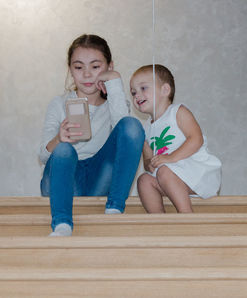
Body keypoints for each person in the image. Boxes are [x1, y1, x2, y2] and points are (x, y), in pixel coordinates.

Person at [39, 34, 145, 236]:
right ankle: (62, 224)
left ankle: (114, 208)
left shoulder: (114, 104)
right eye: (79, 67)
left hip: (99, 179)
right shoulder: (58, 104)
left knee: (131, 124)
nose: (87, 74)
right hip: (66, 178)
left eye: (95, 67)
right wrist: (59, 139)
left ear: (109, 66)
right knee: (64, 150)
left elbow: (127, 132)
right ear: (70, 70)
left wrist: (114, 84)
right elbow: (42, 156)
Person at [130, 64, 221, 213]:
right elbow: (148, 162)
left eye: (143, 88)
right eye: (133, 92)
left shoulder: (177, 112)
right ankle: (159, 221)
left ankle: (186, 214)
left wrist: (170, 158)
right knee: (144, 180)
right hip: (169, 179)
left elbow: (196, 139)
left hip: (194, 174)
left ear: (165, 90)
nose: (136, 95)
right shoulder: (144, 129)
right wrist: (150, 163)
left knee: (164, 171)